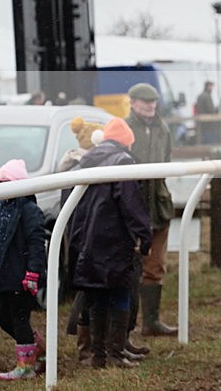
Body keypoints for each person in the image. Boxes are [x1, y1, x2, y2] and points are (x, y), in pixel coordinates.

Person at [68, 118, 152, 368]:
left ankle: (99, 356)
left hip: (87, 238)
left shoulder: (86, 159)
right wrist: (144, 235)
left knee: (97, 297)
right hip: (113, 239)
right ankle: (116, 353)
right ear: (127, 141)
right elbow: (131, 204)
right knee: (120, 291)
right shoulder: (123, 162)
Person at [0, 159, 46, 380]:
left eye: (7, 182)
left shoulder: (29, 211)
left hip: (22, 278)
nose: (3, 187)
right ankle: (37, 347)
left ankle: (26, 366)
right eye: (0, 182)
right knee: (4, 320)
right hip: (3, 278)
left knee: (19, 319)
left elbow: (37, 244)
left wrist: (33, 273)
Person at [125, 82, 178, 336]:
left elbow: (166, 161)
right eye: (145, 102)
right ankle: (126, 325)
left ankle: (151, 322)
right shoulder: (125, 129)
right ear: (132, 103)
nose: (150, 106)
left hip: (158, 206)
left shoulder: (163, 129)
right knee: (129, 265)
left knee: (155, 265)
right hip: (131, 207)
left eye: (153, 102)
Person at [195, 80, 217, 144]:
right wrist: (216, 110)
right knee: (210, 140)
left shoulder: (200, 96)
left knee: (204, 139)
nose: (212, 88)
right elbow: (210, 109)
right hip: (208, 122)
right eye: (211, 86)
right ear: (207, 87)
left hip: (202, 122)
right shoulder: (206, 96)